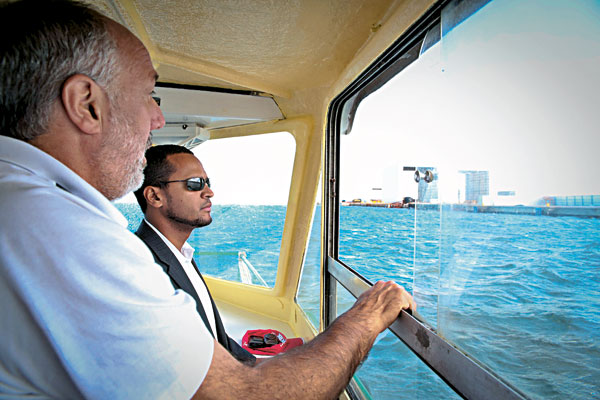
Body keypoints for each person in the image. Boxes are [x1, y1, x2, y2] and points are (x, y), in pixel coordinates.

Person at [0, 0, 416, 399]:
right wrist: (369, 315)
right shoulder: (62, 230)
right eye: (149, 95)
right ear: (86, 105)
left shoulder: (25, 201)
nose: (157, 120)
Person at [133, 145, 255, 364]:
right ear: (154, 196)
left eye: (208, 183)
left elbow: (217, 341)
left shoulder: (180, 254)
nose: (209, 192)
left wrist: (260, 364)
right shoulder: (143, 269)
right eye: (195, 184)